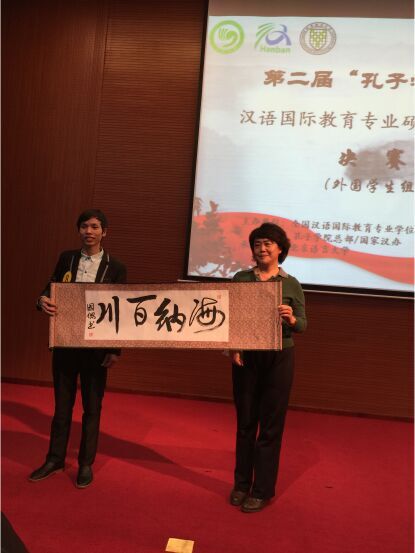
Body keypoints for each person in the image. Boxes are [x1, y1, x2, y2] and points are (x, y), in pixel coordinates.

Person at [29, 209, 127, 488]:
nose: (89, 231)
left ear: (104, 232)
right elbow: (51, 287)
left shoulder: (115, 267)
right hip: (65, 343)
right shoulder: (67, 258)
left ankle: (85, 464)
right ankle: (55, 459)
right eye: (84, 226)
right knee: (62, 407)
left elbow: (120, 311)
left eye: (95, 226)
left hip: (96, 349)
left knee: (92, 408)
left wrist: (115, 350)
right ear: (79, 230)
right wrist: (42, 300)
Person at [229, 222, 307, 513]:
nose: (261, 249)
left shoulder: (291, 284)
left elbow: (303, 324)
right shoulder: (241, 279)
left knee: (271, 426)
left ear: (280, 249)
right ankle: (241, 484)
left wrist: (291, 319)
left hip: (279, 357)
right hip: (247, 356)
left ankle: (261, 490)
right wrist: (234, 347)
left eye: (267, 244)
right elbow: (230, 317)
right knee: (245, 423)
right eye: (257, 244)